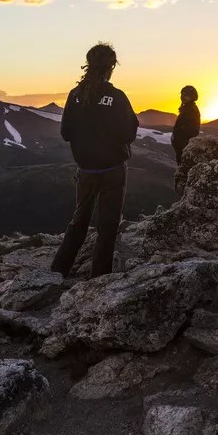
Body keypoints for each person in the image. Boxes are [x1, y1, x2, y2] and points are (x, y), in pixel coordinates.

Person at [51, 43, 139, 279]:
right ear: (111, 66)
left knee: (78, 221)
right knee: (108, 227)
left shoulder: (75, 94)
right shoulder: (117, 97)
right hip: (112, 170)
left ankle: (58, 272)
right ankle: (99, 279)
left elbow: (66, 133)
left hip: (86, 170)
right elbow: (129, 133)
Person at [171, 85, 201, 164]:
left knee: (183, 167)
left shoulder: (191, 110)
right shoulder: (187, 108)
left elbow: (192, 130)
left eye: (186, 95)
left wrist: (180, 137)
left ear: (192, 96)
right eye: (182, 94)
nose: (182, 97)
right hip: (182, 146)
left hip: (184, 146)